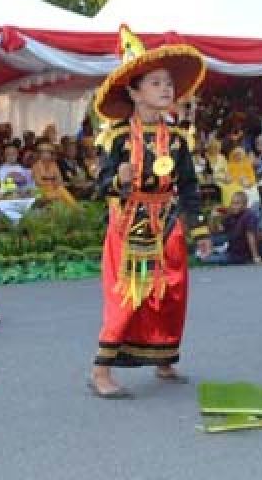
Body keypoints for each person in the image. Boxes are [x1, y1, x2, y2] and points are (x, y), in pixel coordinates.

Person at [88, 27, 210, 398]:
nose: (165, 90)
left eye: (168, 84)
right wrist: (120, 180)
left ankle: (164, 357)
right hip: (130, 224)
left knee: (172, 292)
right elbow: (100, 187)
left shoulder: (177, 140)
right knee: (128, 294)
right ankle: (101, 371)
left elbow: (189, 186)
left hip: (168, 223)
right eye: (155, 83)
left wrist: (199, 229)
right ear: (134, 91)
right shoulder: (118, 139)